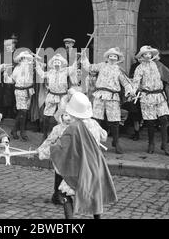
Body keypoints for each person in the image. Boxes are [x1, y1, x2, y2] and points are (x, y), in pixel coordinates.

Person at [47, 91, 117, 219]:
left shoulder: (73, 128)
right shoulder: (94, 123)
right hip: (96, 165)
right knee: (95, 193)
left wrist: (50, 148)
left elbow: (62, 147)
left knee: (64, 194)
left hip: (81, 167)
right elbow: (104, 136)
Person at [81, 47, 134, 154]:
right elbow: (89, 67)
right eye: (111, 56)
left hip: (112, 96)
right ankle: (95, 142)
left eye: (115, 56)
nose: (112, 58)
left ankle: (116, 142)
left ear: (117, 58)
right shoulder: (101, 65)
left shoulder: (119, 70)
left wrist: (130, 91)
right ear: (108, 57)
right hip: (99, 95)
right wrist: (84, 57)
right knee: (96, 119)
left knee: (114, 120)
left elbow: (126, 82)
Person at [132, 46, 169, 156]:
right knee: (150, 122)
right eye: (145, 54)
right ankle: (151, 143)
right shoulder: (139, 68)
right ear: (141, 56)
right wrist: (132, 91)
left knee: (163, 119)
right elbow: (136, 82)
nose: (148, 56)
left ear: (152, 55)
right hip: (147, 97)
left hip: (159, 96)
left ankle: (165, 144)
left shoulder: (159, 65)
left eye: (149, 54)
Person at [35, 54, 77, 140]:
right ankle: (45, 135)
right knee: (47, 115)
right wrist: (36, 63)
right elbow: (42, 74)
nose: (56, 63)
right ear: (52, 64)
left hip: (63, 96)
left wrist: (77, 59)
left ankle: (61, 135)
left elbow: (73, 68)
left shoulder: (66, 71)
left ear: (61, 63)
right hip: (52, 95)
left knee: (63, 116)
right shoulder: (50, 72)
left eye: (58, 62)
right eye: (55, 62)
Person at [37, 106, 72, 205]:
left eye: (70, 115)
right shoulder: (57, 128)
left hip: (71, 157)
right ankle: (57, 196)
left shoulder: (75, 128)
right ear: (61, 116)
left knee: (69, 177)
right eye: (66, 115)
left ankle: (66, 195)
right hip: (60, 157)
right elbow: (50, 140)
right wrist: (41, 149)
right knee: (59, 175)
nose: (68, 118)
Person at [4, 51, 35, 141]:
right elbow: (12, 80)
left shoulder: (30, 67)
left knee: (22, 112)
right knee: (23, 111)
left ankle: (14, 130)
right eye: (23, 58)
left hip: (29, 91)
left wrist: (34, 57)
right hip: (19, 91)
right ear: (20, 60)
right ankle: (22, 131)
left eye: (27, 58)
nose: (25, 60)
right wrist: (6, 74)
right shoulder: (17, 68)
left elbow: (40, 65)